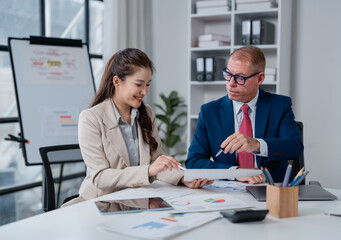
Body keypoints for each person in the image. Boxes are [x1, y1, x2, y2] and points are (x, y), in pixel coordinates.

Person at [64, 48, 212, 207]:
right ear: (116, 81)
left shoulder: (146, 112)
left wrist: (182, 178)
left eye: (147, 84)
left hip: (138, 199)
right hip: (102, 203)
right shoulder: (91, 118)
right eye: (139, 84)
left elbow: (156, 161)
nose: (145, 91)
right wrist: (148, 171)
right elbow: (100, 177)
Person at [185, 46, 303, 184]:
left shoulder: (279, 105)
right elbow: (194, 161)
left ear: (260, 79)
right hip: (230, 189)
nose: (231, 83)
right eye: (228, 74)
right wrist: (234, 173)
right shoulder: (209, 111)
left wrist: (257, 144)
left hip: (273, 189)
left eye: (240, 77)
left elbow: (294, 146)